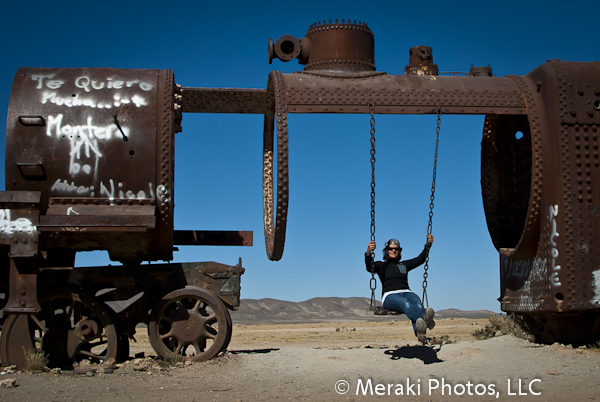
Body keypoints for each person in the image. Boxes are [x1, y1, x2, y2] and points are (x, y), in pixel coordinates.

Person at [365, 235, 435, 344]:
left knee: (416, 303)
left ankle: (420, 333)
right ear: (386, 251)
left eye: (396, 249)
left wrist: (428, 245)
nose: (393, 250)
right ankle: (426, 320)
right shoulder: (381, 265)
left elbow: (421, 259)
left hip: (407, 292)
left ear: (399, 251)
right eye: (391, 248)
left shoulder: (404, 265)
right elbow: (369, 267)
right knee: (406, 303)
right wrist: (368, 252)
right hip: (390, 295)